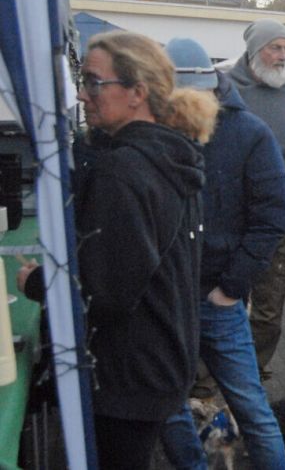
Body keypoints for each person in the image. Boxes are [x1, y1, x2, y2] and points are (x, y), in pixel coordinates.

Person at [18, 30, 216, 469]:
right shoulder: (168, 153)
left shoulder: (126, 171)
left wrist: (36, 281)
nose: (84, 95)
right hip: (154, 362)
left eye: (93, 82)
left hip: (126, 374)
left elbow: (103, 292)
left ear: (137, 93)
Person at [160, 38, 285, 469]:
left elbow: (272, 217)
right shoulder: (160, 127)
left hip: (218, 295)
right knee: (169, 403)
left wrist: (231, 287)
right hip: (170, 297)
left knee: (252, 408)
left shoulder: (249, 132)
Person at [228, 18, 285, 379]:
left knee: (270, 301)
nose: (283, 56)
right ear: (255, 50)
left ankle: (253, 370)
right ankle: (223, 370)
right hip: (234, 214)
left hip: (284, 213)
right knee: (228, 295)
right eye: (275, 48)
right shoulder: (227, 92)